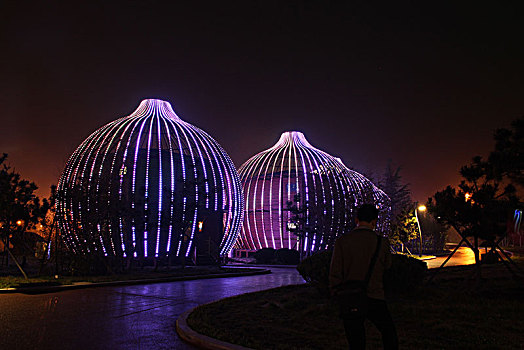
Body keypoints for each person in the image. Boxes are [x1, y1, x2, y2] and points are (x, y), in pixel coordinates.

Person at [329, 204, 398, 350]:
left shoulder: (343, 241)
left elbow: (335, 271)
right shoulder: (381, 242)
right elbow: (387, 266)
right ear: (374, 221)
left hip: (349, 296)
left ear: (356, 220)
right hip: (374, 295)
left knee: (356, 339)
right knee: (388, 331)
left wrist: (336, 293)